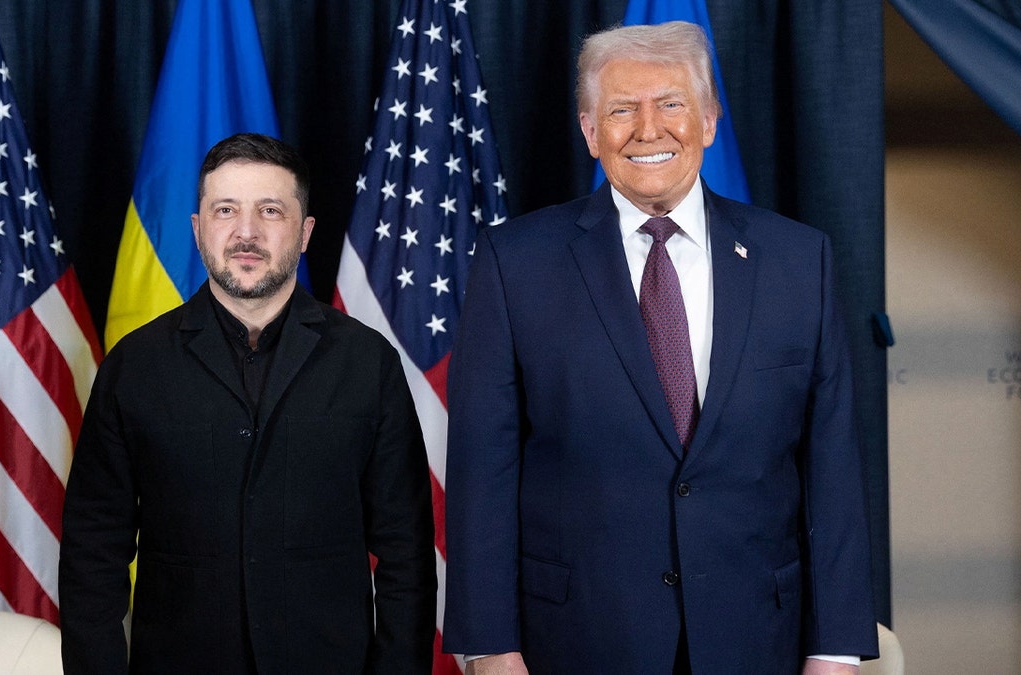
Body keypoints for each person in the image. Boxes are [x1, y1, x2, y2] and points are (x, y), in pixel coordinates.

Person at [442, 21, 879, 674]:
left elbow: (833, 469)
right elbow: (483, 468)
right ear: (590, 130)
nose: (649, 129)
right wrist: (489, 647)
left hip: (759, 638)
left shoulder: (798, 258)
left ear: (708, 119)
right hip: (576, 638)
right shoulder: (515, 263)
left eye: (671, 104)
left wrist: (837, 647)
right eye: (621, 109)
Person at [59, 133, 436, 673]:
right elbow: (92, 553)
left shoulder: (367, 363)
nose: (246, 232)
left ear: (305, 233)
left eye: (271, 211)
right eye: (226, 209)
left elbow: (407, 556)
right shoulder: (134, 367)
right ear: (198, 229)